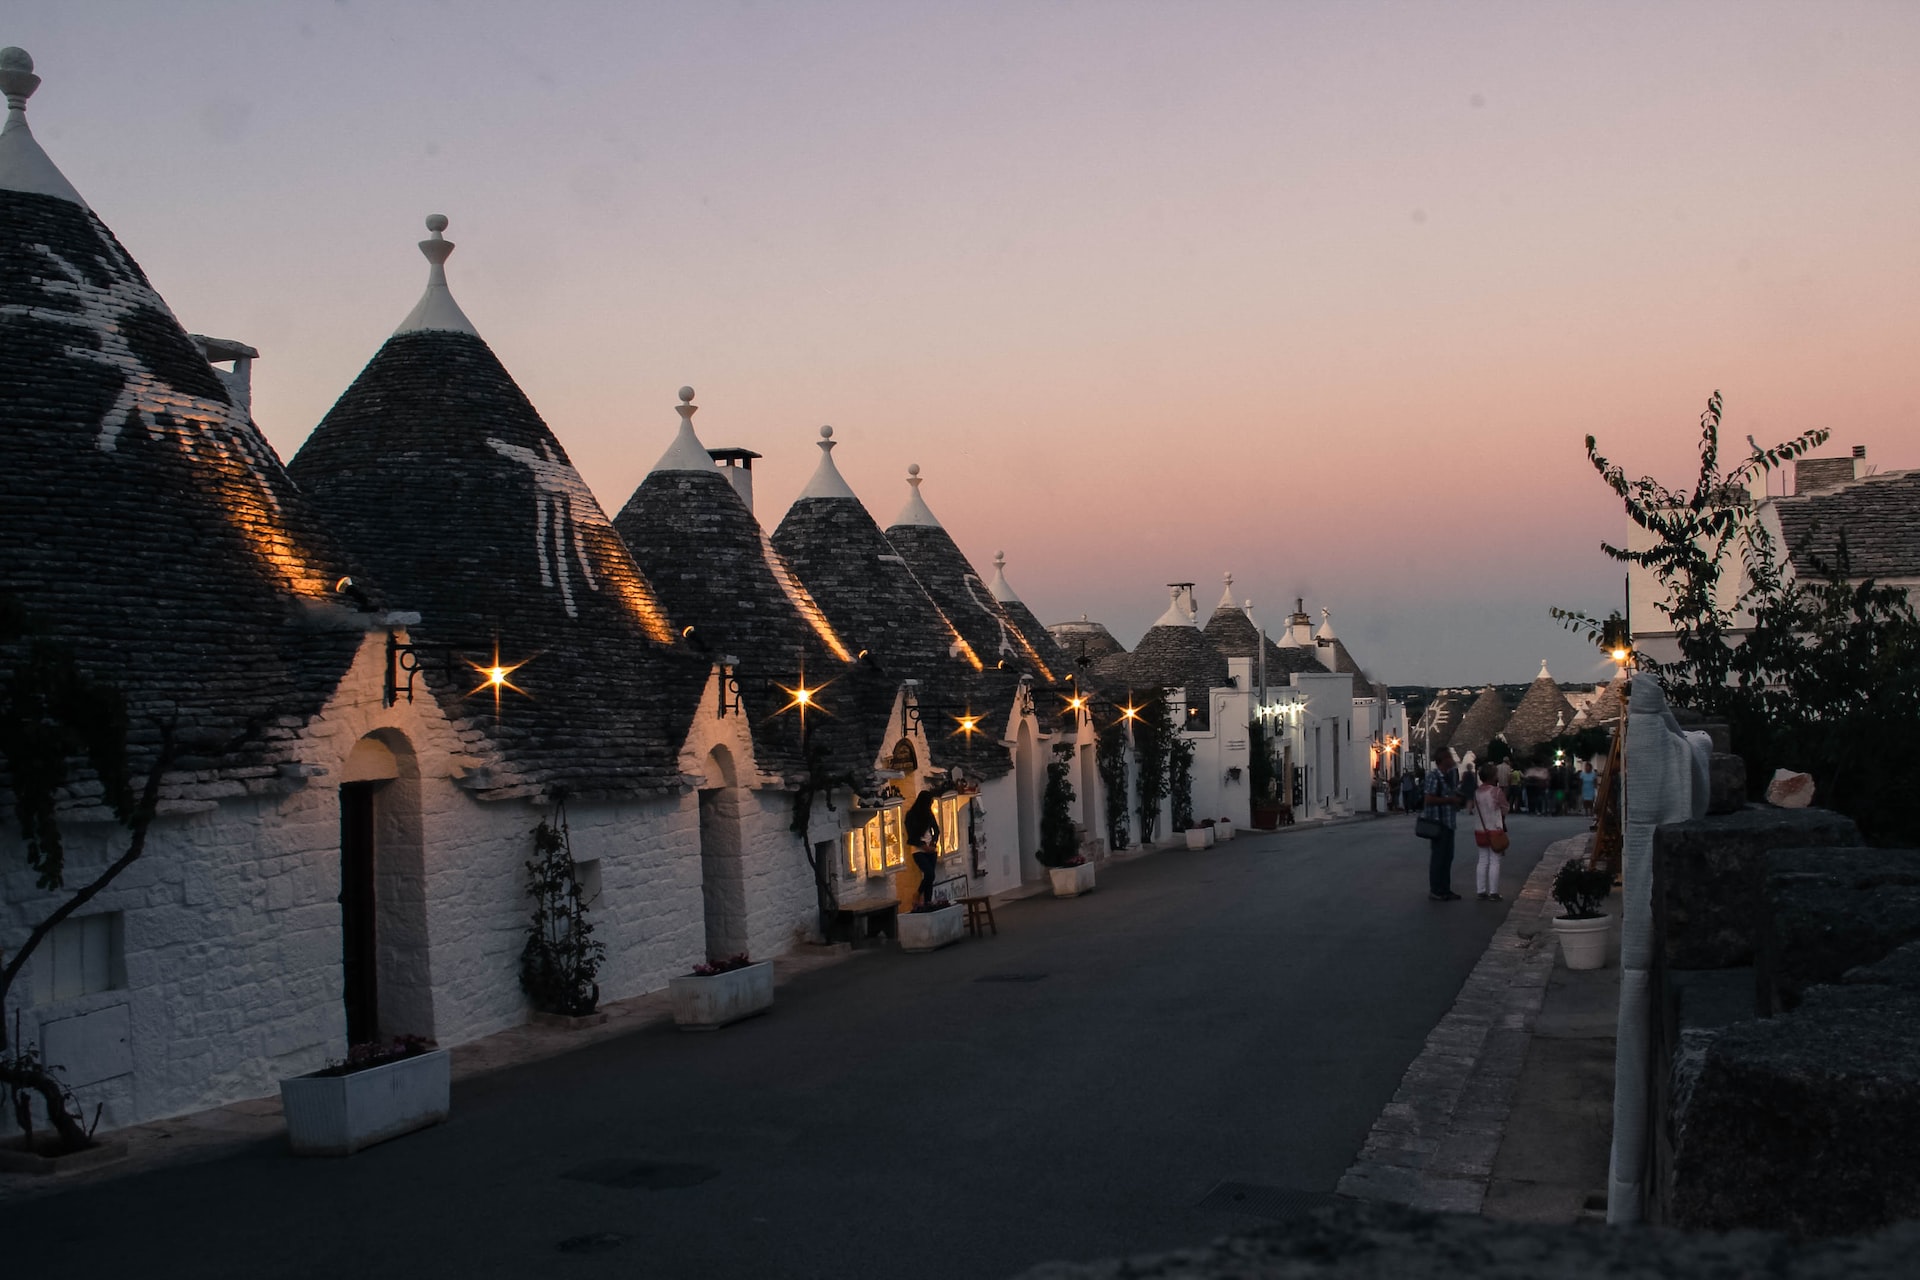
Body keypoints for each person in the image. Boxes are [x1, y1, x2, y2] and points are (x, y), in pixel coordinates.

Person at [1422, 748, 1470, 901]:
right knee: (1439, 857)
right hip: (1438, 823)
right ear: (1443, 759)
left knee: (1447, 857)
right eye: (1449, 757)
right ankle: (1436, 889)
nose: (1452, 759)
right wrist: (1450, 800)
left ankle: (1445, 889)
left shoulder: (1448, 777)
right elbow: (1429, 799)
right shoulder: (1434, 776)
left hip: (1449, 823)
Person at [1471, 764, 1510, 901]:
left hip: (1480, 829)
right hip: (1494, 829)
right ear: (1493, 776)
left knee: (1482, 860)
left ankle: (1480, 890)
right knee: (1495, 860)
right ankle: (1493, 891)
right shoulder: (1496, 792)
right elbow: (1505, 808)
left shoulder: (1476, 793)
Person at [903, 791, 941, 909]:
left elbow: (936, 830)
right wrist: (923, 846)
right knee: (929, 873)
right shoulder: (911, 816)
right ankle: (918, 893)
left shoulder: (929, 814)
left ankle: (927, 902)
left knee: (930, 877)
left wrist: (933, 843)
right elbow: (912, 836)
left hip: (931, 848)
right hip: (918, 850)